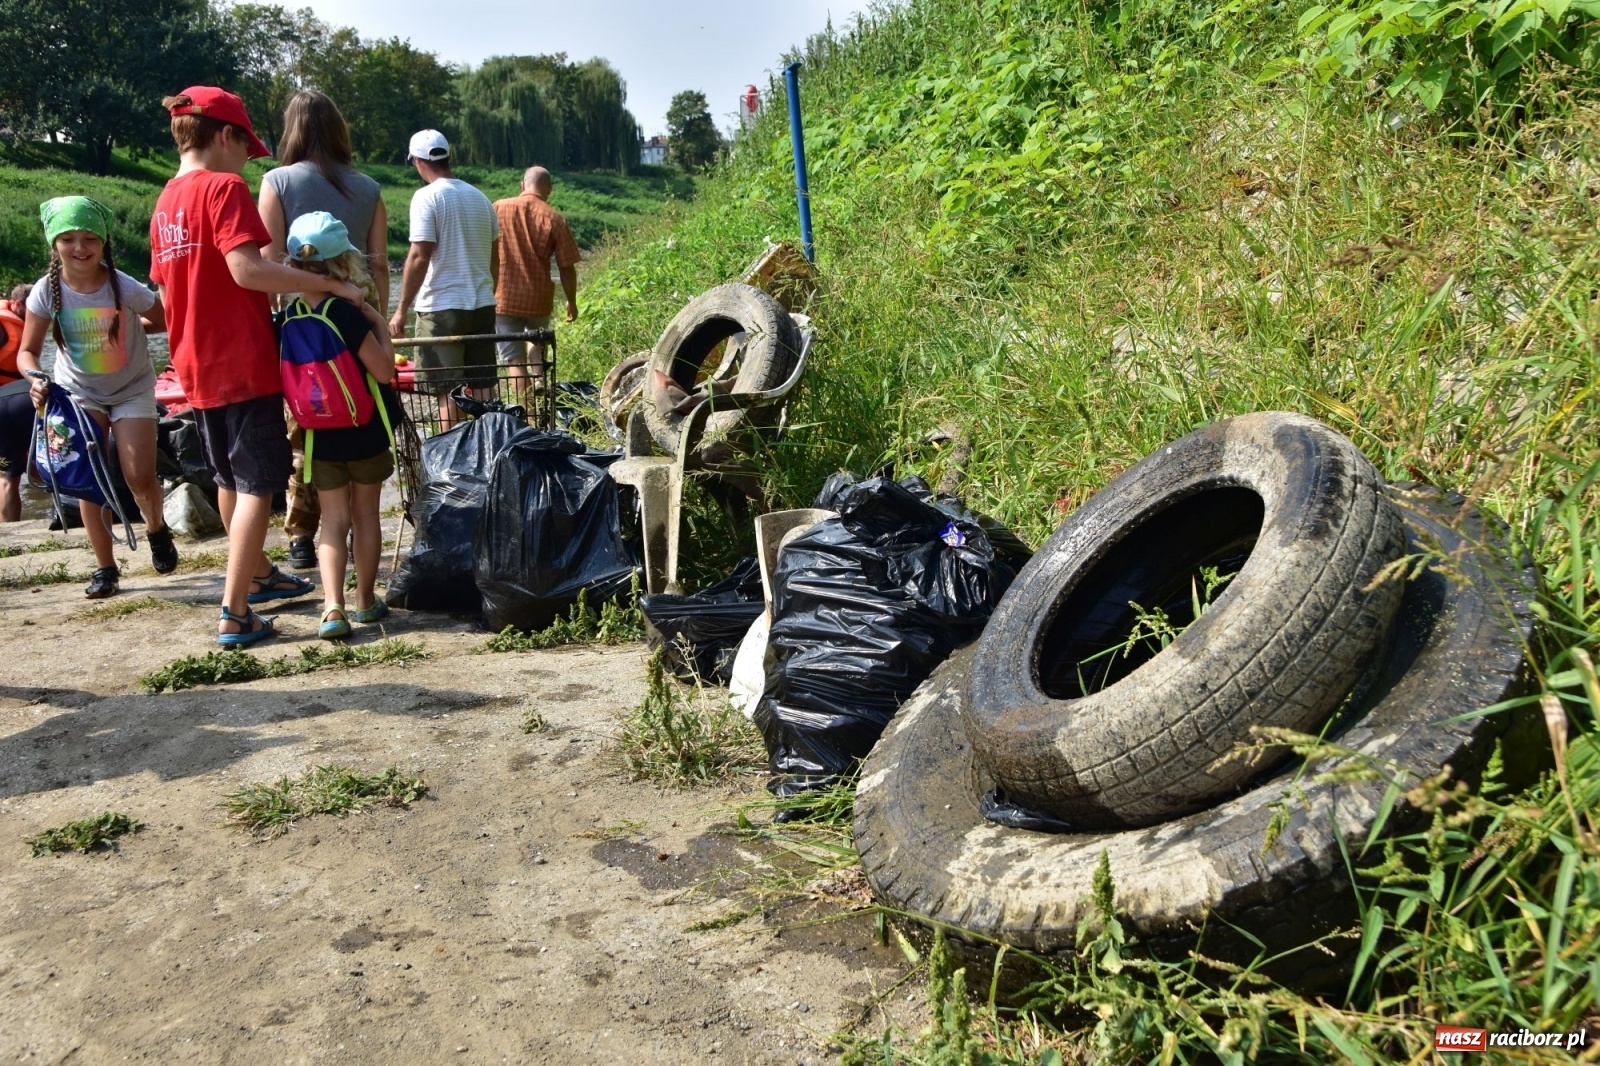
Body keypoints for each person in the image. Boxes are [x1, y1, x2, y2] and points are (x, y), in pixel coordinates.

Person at [149, 86, 363, 646]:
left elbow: (167, 288)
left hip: (193, 361)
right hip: (241, 359)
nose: (249, 159)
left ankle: (260, 576)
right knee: (257, 487)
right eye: (247, 147)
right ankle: (235, 610)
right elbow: (248, 270)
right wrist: (323, 283)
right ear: (226, 136)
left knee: (227, 475)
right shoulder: (224, 188)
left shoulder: (167, 200)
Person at [14, 199, 176, 593]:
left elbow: (167, 319)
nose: (80, 247)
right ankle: (106, 568)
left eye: (89, 239)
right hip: (78, 392)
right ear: (55, 244)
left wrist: (126, 329)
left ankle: (155, 528)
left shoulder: (123, 285)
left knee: (139, 475)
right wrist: (35, 377)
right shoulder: (45, 292)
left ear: (103, 243)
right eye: (68, 239)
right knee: (90, 479)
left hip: (132, 388)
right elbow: (26, 351)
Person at [258, 89, 388, 572]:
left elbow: (268, 261)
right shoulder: (369, 187)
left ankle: (301, 533)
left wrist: (278, 322)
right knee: (360, 416)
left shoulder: (277, 181)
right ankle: (360, 534)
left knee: (307, 430)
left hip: (304, 324)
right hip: (357, 318)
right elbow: (377, 265)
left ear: (291, 130)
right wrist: (377, 316)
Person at [278, 211, 399, 640]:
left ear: (291, 265)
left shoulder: (287, 318)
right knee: (366, 515)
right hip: (364, 430)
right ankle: (366, 602)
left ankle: (332, 607)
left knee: (332, 521)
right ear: (345, 262)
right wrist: (379, 323)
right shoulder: (347, 314)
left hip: (317, 436)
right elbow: (384, 371)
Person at [388, 129, 499, 432]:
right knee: (483, 390)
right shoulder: (480, 198)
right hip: (482, 306)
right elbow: (494, 258)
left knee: (447, 393)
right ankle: (488, 455)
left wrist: (400, 311)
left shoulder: (427, 197)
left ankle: (451, 468)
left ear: (419, 161)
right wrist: (489, 292)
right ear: (448, 157)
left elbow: (419, 256)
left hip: (442, 309)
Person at [492, 165, 580, 402]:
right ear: (548, 188)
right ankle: (539, 377)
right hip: (538, 296)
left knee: (514, 359)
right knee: (536, 340)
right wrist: (571, 301)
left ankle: (527, 410)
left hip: (503, 295)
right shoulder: (554, 218)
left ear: (523, 185)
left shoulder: (498, 207)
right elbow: (566, 267)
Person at [0, 284, 33, 522]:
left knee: (9, 477)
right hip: (8, 404)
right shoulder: (3, 326)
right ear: (18, 304)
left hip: (16, 402)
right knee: (8, 478)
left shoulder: (25, 325)